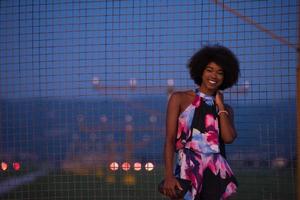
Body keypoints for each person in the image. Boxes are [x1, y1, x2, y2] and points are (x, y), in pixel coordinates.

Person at [162, 45, 239, 200]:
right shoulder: (179, 98)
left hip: (216, 174)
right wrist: (169, 176)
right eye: (209, 69)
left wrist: (221, 106)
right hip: (186, 171)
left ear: (225, 77)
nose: (214, 76)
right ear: (201, 71)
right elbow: (170, 140)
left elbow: (228, 138)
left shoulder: (225, 109)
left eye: (220, 72)